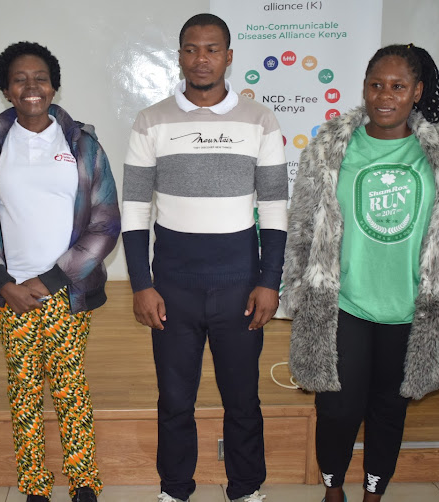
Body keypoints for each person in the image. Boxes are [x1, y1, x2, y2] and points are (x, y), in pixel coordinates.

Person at [282, 44, 439, 502]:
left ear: (416, 92)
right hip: (344, 303)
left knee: (389, 409)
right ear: (365, 88)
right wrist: (297, 292)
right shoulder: (331, 146)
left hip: (413, 308)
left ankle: (375, 493)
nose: (384, 95)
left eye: (397, 86)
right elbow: (303, 223)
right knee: (337, 407)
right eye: (376, 85)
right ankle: (333, 488)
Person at [121, 13, 288, 502]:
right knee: (174, 401)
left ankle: (246, 488)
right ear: (179, 56)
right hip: (172, 286)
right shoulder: (151, 120)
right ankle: (175, 489)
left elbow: (275, 208)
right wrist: (140, 283)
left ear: (229, 57)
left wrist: (270, 281)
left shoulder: (260, 120)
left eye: (212, 49)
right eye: (191, 49)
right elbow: (133, 211)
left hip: (241, 283)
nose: (201, 58)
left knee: (242, 400)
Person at [0, 41, 120, 502]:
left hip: (67, 294)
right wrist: (2, 283)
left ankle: (84, 484)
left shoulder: (82, 144)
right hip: (10, 297)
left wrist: (48, 281)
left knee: (70, 390)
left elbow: (106, 221)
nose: (32, 87)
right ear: (6, 89)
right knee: (24, 394)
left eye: (40, 78)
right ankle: (34, 488)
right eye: (20, 79)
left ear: (54, 85)